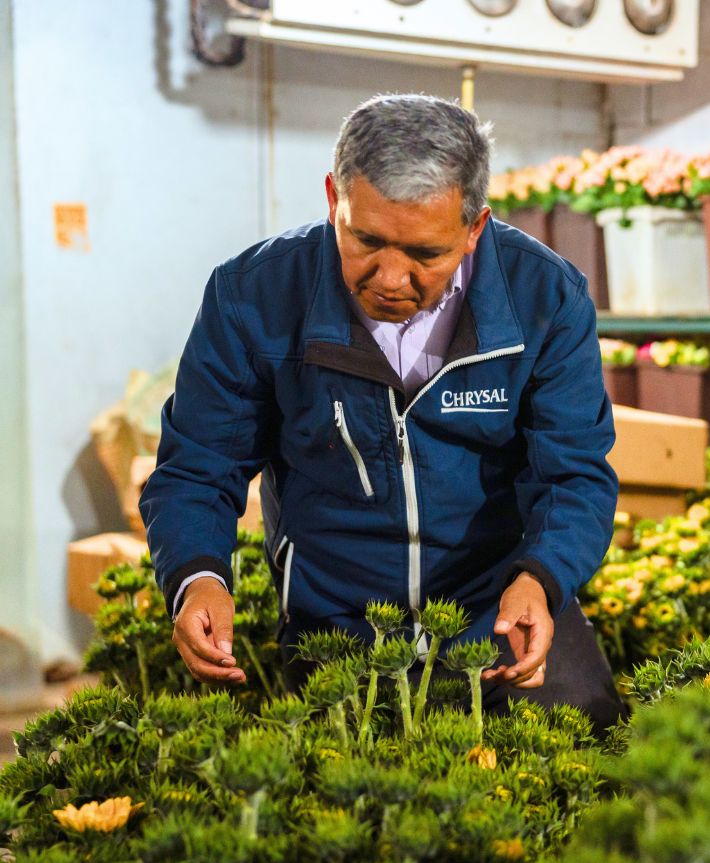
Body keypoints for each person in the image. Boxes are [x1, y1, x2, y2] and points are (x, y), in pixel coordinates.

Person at [140, 93, 624, 730]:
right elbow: (198, 469)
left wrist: (543, 578)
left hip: (498, 616)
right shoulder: (253, 297)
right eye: (365, 240)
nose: (390, 278)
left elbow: (574, 476)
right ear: (332, 199)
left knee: (586, 779)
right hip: (336, 628)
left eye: (425, 255)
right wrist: (197, 577)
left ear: (474, 228)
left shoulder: (546, 298)